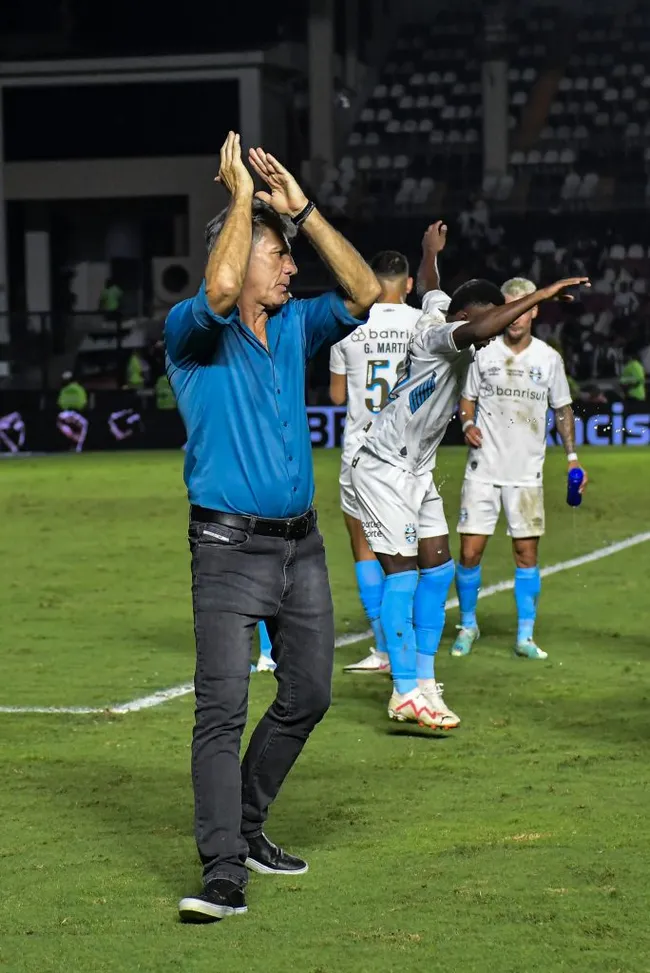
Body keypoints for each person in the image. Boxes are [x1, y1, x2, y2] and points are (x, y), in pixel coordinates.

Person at [165, 132, 380, 923]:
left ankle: (249, 827)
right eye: (279, 256)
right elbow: (221, 290)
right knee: (220, 708)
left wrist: (304, 213)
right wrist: (244, 203)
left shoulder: (295, 325)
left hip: (301, 545)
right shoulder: (194, 332)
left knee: (311, 693)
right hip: (226, 547)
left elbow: (366, 292)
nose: (292, 268)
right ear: (243, 256)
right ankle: (224, 870)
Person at [350, 227, 588, 730]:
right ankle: (402, 691)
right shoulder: (441, 335)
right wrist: (538, 296)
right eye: (490, 322)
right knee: (404, 575)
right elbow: (477, 329)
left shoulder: (441, 307)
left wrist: (429, 253)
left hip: (418, 471)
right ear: (467, 319)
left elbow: (434, 284)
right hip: (383, 468)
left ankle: (425, 683)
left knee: (437, 572)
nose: (495, 333)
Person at [451, 277, 589, 661]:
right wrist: (467, 424)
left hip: (526, 474)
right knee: (469, 552)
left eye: (525, 307)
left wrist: (573, 458)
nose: (517, 316)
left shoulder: (548, 359)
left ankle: (524, 636)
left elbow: (562, 409)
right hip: (483, 469)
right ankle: (467, 624)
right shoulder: (484, 353)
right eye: (511, 307)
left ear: (535, 311)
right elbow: (466, 399)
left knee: (526, 555)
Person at [329, 242, 445, 675]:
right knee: (415, 554)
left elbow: (338, 395)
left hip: (361, 454)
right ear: (408, 284)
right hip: (410, 456)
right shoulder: (422, 323)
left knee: (365, 547)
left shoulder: (348, 324)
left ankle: (382, 647)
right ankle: (413, 652)